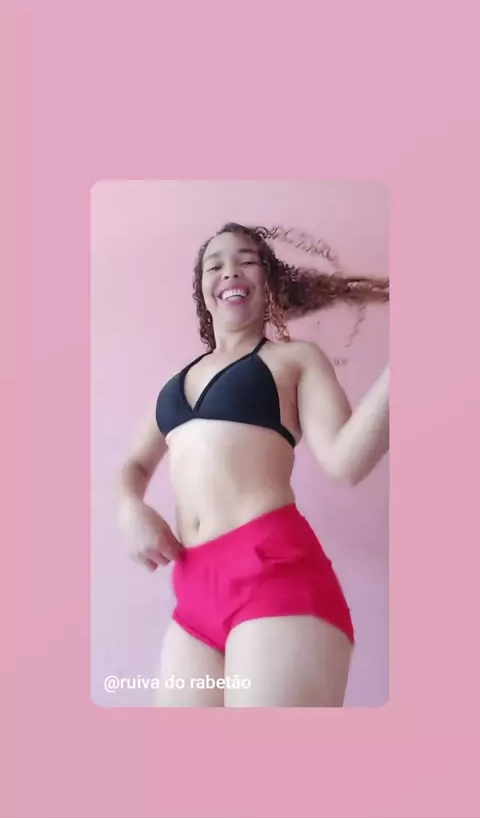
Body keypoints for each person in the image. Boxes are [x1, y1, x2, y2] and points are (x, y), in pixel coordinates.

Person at [117, 222, 389, 707]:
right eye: (214, 264)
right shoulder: (175, 382)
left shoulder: (294, 360)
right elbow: (135, 463)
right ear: (203, 289)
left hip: (275, 577)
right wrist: (128, 506)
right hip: (193, 594)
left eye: (246, 260)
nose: (230, 271)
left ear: (268, 282)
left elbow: (345, 461)